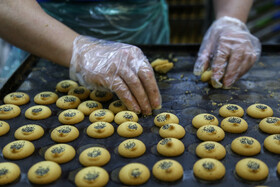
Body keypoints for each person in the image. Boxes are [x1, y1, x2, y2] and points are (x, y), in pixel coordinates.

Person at [0, 0, 260, 115]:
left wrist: (231, 19)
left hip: (146, 27)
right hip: (46, 38)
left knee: (150, 94)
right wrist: (80, 51)